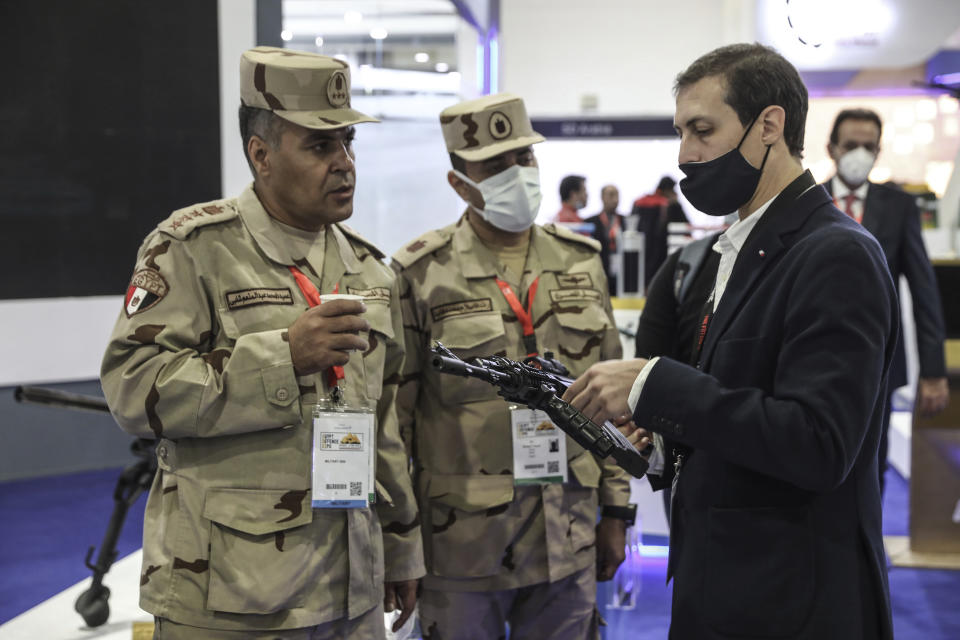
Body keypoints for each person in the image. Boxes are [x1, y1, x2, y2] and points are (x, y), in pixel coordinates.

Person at [564, 43, 898, 639]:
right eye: (681, 132)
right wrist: (664, 427)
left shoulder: (836, 254)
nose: (686, 154)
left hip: (793, 600)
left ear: (769, 125)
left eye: (702, 130)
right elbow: (741, 399)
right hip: (728, 586)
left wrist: (654, 383)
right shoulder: (743, 247)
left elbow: (819, 442)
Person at [100, 47, 424, 639]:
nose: (345, 163)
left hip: (350, 587)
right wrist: (282, 358)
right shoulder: (193, 248)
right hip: (230, 593)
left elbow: (385, 424)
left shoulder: (372, 273)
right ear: (261, 154)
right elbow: (131, 388)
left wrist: (400, 544)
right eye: (321, 146)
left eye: (349, 143)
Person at [392, 93, 633, 640]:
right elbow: (395, 422)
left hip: (567, 534)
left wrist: (617, 514)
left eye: (524, 159)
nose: (517, 174)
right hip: (462, 550)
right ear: (460, 184)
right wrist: (399, 543)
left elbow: (613, 400)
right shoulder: (421, 273)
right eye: (496, 166)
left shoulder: (580, 259)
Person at [823, 107, 950, 493]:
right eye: (850, 145)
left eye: (868, 146)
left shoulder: (898, 207)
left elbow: (924, 291)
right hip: (812, 356)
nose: (859, 154)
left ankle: (868, 552)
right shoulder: (808, 202)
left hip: (878, 360)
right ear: (832, 148)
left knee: (871, 469)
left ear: (878, 151)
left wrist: (933, 370)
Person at [630, 177, 689, 288]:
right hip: (661, 251)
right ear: (668, 190)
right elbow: (685, 227)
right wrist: (676, 205)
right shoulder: (670, 204)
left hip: (641, 251)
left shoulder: (640, 202)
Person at [584, 184, 624, 295]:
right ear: (602, 197)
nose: (615, 199)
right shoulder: (590, 222)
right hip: (597, 273)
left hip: (621, 276)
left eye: (617, 195)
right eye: (611, 195)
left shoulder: (626, 222)